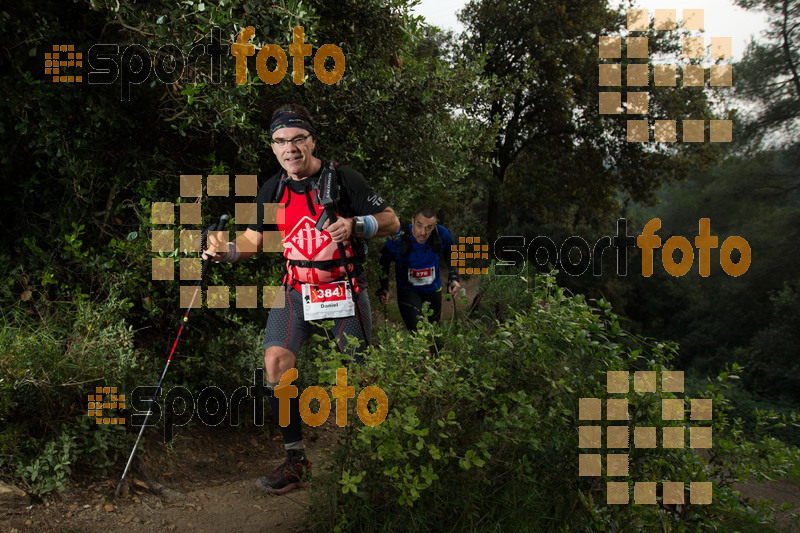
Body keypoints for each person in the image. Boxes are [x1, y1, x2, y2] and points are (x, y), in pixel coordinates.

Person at [203, 104, 399, 494]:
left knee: (362, 373)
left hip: (343, 286)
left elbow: (393, 220)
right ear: (273, 147)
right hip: (297, 289)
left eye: (297, 139)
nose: (289, 148)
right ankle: (296, 462)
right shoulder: (272, 188)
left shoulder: (344, 179)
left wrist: (358, 224)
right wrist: (224, 250)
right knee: (275, 361)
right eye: (280, 141)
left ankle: (374, 454)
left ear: (312, 141)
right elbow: (252, 242)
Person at [377, 208, 461, 332]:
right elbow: (384, 260)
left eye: (428, 227)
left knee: (435, 332)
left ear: (434, 226)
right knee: (416, 330)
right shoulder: (399, 235)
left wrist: (454, 276)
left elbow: (452, 252)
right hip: (408, 290)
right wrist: (384, 287)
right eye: (419, 226)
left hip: (433, 289)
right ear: (413, 221)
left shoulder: (441, 233)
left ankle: (436, 352)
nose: (423, 232)